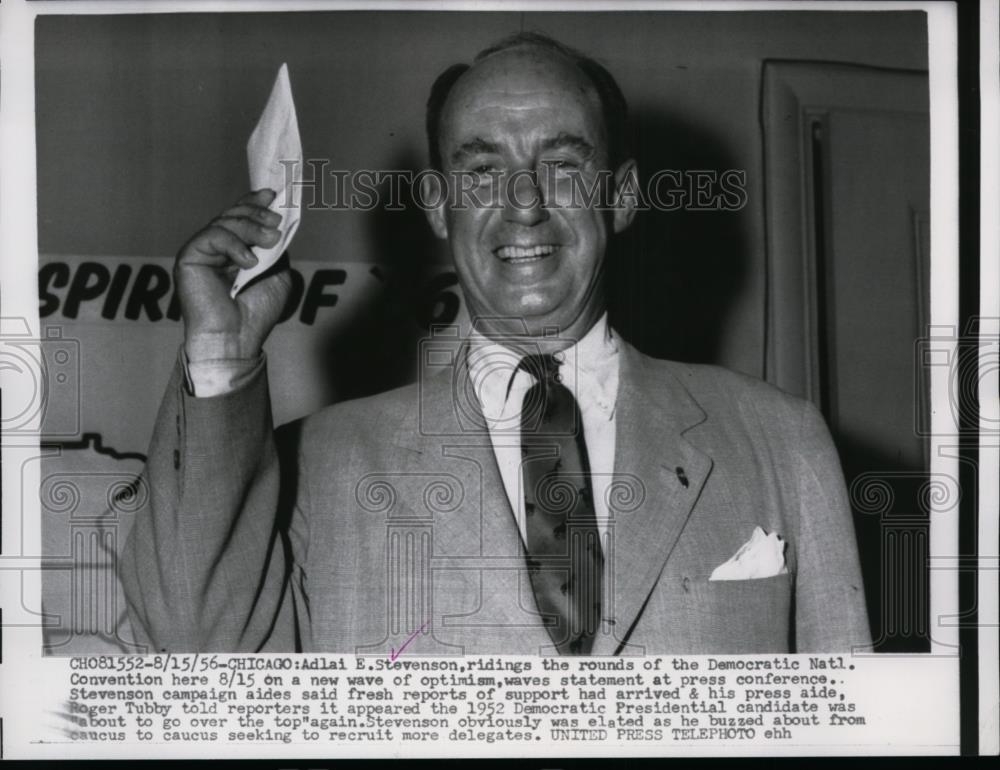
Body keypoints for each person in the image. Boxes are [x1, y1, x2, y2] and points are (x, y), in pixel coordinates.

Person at [121, 32, 871, 655]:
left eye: (563, 165)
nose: (524, 206)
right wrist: (221, 352)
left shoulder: (781, 439)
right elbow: (195, 652)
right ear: (439, 208)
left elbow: (851, 724)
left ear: (622, 195)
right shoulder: (318, 464)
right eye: (483, 172)